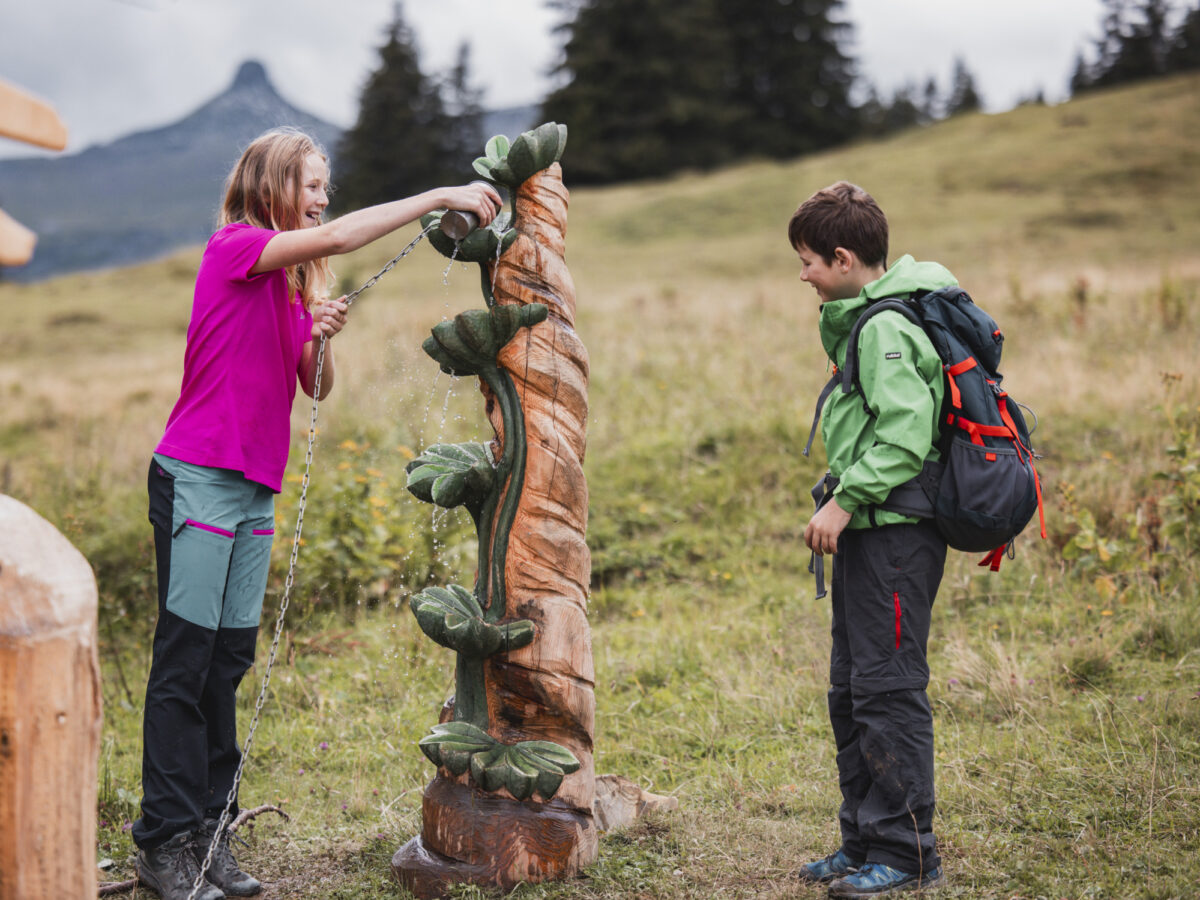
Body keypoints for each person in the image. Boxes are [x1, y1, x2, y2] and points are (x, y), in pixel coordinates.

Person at [132, 127, 501, 900]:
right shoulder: (235, 245)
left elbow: (315, 385)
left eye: (325, 186)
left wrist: (321, 335)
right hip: (198, 476)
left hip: (253, 489)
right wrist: (439, 196)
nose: (322, 200)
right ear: (272, 185)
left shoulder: (294, 283)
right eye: (311, 184)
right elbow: (333, 235)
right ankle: (162, 844)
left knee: (227, 665)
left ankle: (211, 838)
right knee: (184, 666)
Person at [789, 182, 954, 896]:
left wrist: (844, 500)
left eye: (808, 261)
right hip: (869, 532)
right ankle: (861, 841)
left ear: (843, 256)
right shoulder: (865, 318)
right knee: (851, 690)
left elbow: (906, 438)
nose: (803, 275)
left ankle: (907, 851)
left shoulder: (885, 327)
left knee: (887, 692)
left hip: (894, 536)